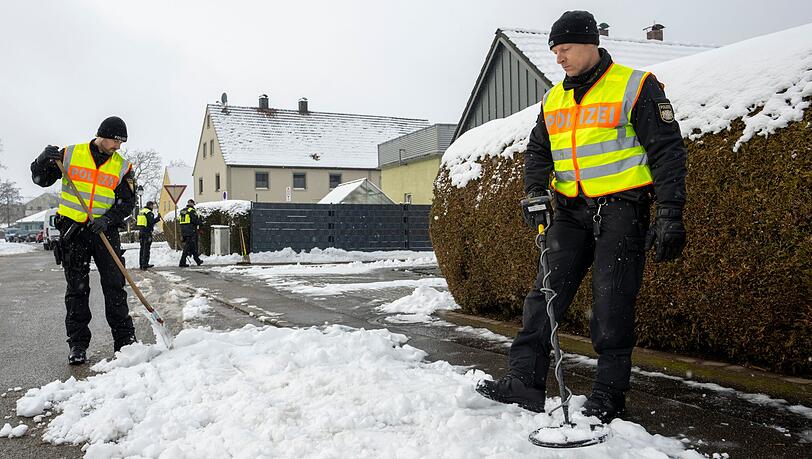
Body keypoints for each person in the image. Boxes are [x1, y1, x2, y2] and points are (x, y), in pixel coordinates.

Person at [476, 10, 687, 422]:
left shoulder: (635, 85)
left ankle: (608, 395)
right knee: (544, 296)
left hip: (621, 210)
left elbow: (667, 151)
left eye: (566, 48)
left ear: (591, 44)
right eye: (555, 50)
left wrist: (669, 212)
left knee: (611, 304)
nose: (559, 58)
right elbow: (539, 151)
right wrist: (535, 192)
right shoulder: (554, 98)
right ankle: (524, 382)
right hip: (570, 212)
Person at [31, 116, 139, 365]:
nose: (118, 146)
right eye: (115, 141)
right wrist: (42, 159)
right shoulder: (70, 155)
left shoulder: (122, 167)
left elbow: (128, 202)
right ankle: (78, 345)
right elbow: (41, 179)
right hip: (74, 232)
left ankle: (125, 341)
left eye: (121, 143)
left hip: (103, 231)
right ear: (102, 135)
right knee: (77, 290)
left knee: (114, 286)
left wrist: (108, 219)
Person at [178, 199, 203, 267]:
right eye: (193, 204)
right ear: (192, 203)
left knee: (192, 246)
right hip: (190, 230)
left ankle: (197, 260)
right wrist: (201, 223)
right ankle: (182, 262)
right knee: (187, 246)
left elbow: (179, 220)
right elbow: (195, 220)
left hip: (184, 230)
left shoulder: (182, 211)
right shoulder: (191, 210)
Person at [136, 201, 161, 270]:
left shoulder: (141, 211)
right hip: (147, 232)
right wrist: (158, 218)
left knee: (142, 248)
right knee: (146, 248)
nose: (153, 207)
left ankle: (141, 264)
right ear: (150, 205)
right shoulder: (149, 212)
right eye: (152, 206)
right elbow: (151, 222)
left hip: (141, 232)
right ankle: (145, 264)